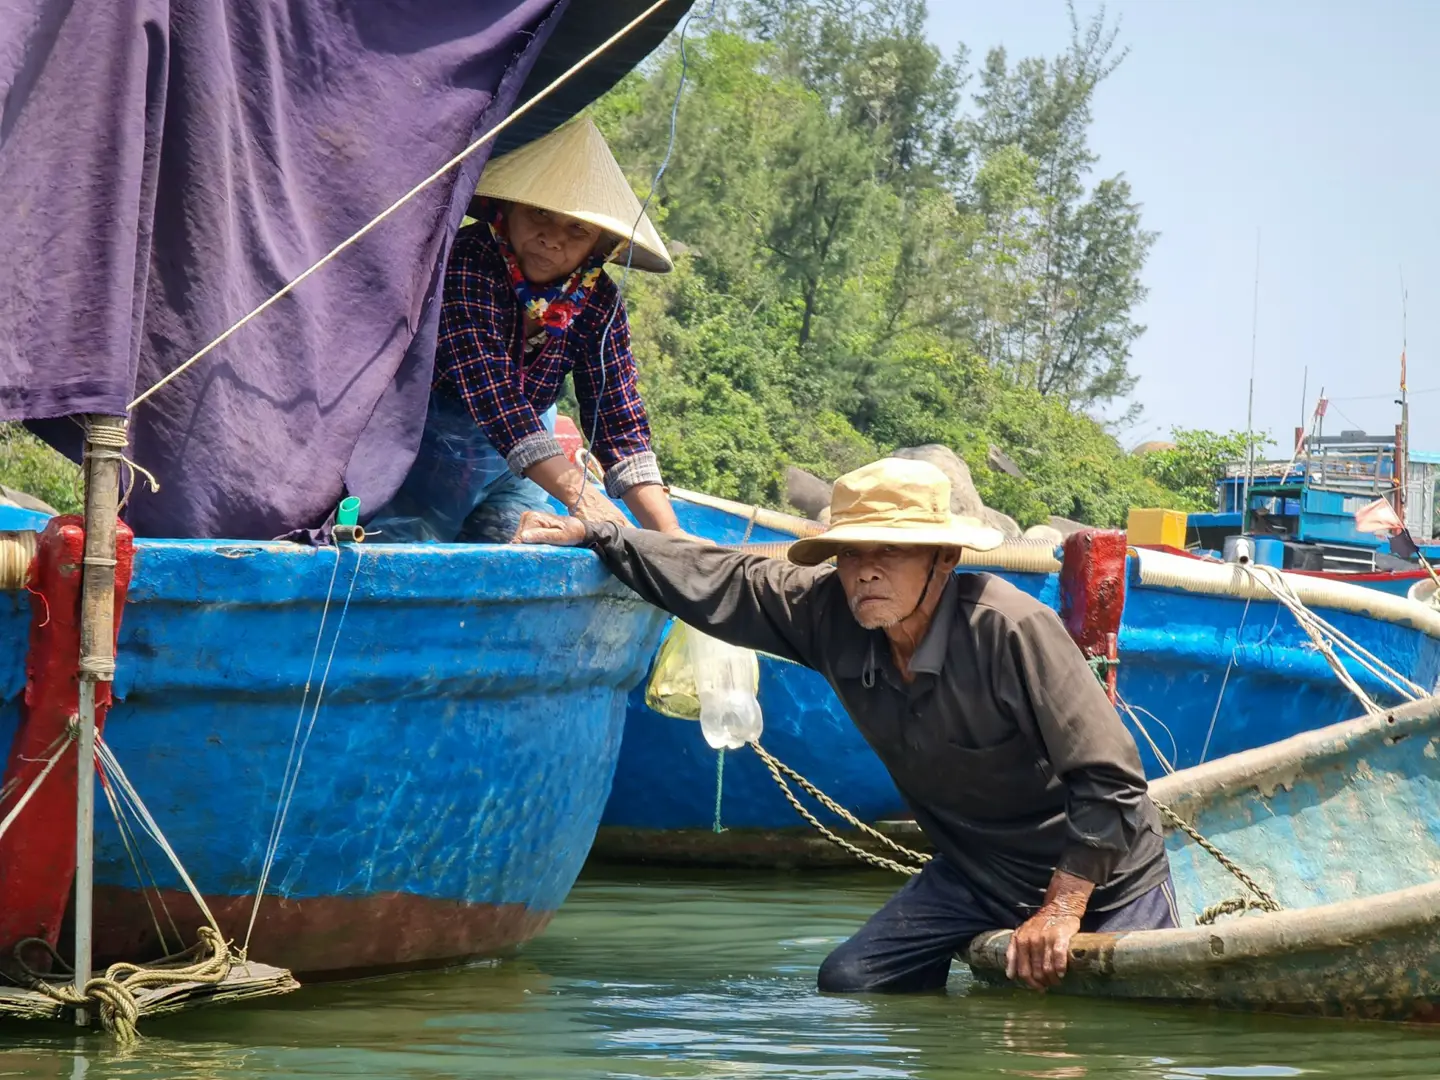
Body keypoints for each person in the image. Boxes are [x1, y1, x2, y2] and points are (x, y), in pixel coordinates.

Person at [513, 457, 1178, 993]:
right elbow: (722, 578)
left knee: (1125, 1009)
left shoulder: (1009, 628)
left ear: (943, 561)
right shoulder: (828, 612)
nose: (865, 572)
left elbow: (1112, 783)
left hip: (1105, 876)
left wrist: (1062, 908)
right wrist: (606, 535)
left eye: (891, 551)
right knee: (850, 980)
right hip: (977, 875)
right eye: (852, 554)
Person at [369, 117, 682, 543]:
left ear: (600, 246)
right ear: (506, 210)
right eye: (539, 214)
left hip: (517, 469)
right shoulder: (469, 261)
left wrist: (672, 538)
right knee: (399, 544)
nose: (552, 239)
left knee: (517, 537)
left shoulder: (598, 301)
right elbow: (492, 392)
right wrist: (580, 495)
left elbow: (617, 420)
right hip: (419, 456)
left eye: (577, 229)